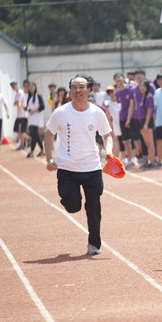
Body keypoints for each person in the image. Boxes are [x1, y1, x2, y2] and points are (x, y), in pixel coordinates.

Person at [44, 74, 113, 255]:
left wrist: (108, 151)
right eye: (74, 87)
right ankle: (73, 201)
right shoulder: (60, 112)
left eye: (82, 87)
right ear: (70, 91)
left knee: (94, 207)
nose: (78, 91)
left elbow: (107, 135)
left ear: (90, 90)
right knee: (73, 206)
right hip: (67, 169)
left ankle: (94, 243)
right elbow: (49, 134)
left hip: (92, 168)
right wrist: (49, 159)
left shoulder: (97, 112)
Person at [114, 73, 136, 167]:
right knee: (125, 140)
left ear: (123, 78)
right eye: (116, 78)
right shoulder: (117, 92)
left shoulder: (131, 88)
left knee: (134, 140)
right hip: (122, 118)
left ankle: (135, 159)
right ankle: (130, 159)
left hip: (132, 117)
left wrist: (129, 119)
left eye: (119, 77)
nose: (118, 79)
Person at [25, 82, 45, 158]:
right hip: (31, 119)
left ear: (35, 87)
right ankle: (42, 150)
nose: (31, 88)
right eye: (29, 86)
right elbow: (27, 107)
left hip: (36, 119)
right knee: (35, 135)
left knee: (34, 135)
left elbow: (42, 107)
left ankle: (31, 152)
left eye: (32, 86)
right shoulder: (29, 97)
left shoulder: (38, 96)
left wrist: (34, 111)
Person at [10, 81, 28, 150]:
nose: (13, 88)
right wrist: (16, 103)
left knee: (21, 131)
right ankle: (28, 138)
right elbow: (15, 103)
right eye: (12, 87)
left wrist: (17, 103)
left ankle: (22, 144)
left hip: (23, 115)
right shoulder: (17, 94)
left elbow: (17, 102)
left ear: (16, 85)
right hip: (19, 115)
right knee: (17, 130)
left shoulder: (20, 92)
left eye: (13, 86)